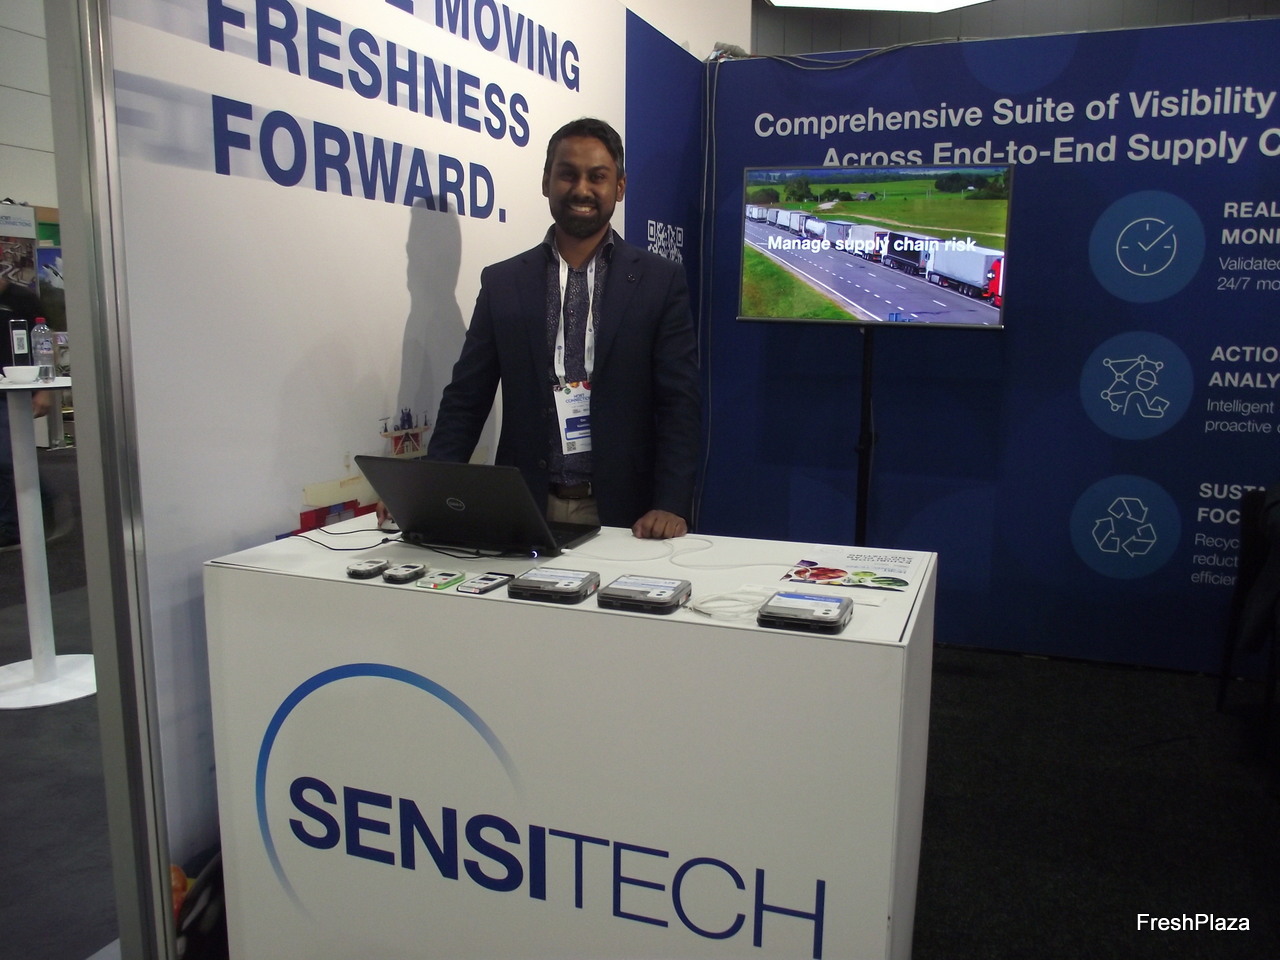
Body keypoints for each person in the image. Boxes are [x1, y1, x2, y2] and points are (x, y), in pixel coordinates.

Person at [425, 117, 701, 539]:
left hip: (628, 515)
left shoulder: (659, 282)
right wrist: (432, 492)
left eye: (597, 177)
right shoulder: (503, 283)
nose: (581, 189)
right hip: (524, 508)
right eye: (568, 174)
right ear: (546, 182)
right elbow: (467, 398)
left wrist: (671, 504)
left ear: (620, 187)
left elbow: (679, 404)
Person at [0, 274, 55, 548]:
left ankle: (18, 524)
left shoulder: (22, 299)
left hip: (17, 389)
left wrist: (45, 389)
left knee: (8, 459)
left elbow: (45, 343)